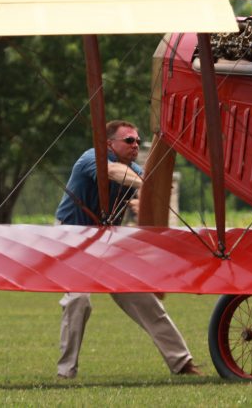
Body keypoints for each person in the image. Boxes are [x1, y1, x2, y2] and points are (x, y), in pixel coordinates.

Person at [55, 120, 201, 379]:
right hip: (73, 237)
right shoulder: (92, 158)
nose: (135, 144)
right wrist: (146, 187)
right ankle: (66, 372)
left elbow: (148, 187)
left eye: (137, 140)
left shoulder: (134, 170)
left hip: (107, 241)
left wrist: (144, 197)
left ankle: (182, 363)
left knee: (144, 299)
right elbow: (112, 173)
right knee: (78, 300)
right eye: (129, 141)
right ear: (109, 144)